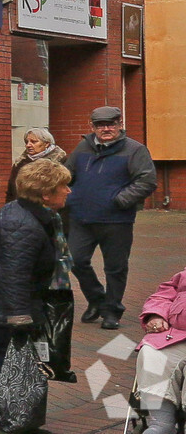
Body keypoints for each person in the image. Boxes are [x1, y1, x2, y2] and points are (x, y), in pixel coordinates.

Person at [0, 156, 73, 428]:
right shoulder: (23, 224)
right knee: (7, 355)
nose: (69, 191)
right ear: (46, 194)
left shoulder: (26, 212)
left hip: (8, 298)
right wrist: (20, 318)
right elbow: (16, 274)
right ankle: (7, 414)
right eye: (64, 186)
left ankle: (3, 410)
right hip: (9, 302)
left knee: (6, 353)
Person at [67, 104, 158, 330]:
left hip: (117, 221)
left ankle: (112, 310)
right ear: (92, 127)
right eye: (100, 125)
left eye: (111, 124)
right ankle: (98, 299)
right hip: (81, 218)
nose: (106, 128)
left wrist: (119, 200)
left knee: (115, 268)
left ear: (120, 125)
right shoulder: (82, 148)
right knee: (74, 260)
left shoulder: (135, 150)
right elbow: (66, 174)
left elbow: (146, 181)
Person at [136, 265, 186, 433]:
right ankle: (161, 423)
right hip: (177, 334)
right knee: (152, 353)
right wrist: (157, 314)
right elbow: (164, 295)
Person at [7, 129, 68, 202]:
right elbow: (11, 190)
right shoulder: (20, 163)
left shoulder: (60, 162)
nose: (28, 145)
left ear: (46, 144)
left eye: (33, 142)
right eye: (27, 142)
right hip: (21, 207)